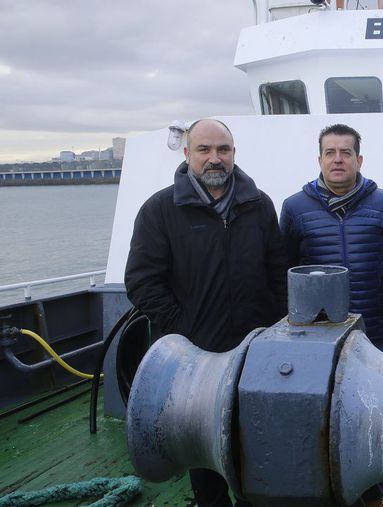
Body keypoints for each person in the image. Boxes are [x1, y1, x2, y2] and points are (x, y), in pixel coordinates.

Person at [124, 118, 287, 506]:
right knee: (201, 444)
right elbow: (142, 281)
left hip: (254, 353)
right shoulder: (160, 210)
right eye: (204, 150)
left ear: (234, 154)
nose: (215, 158)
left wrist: (275, 329)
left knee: (255, 440)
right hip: (195, 359)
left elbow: (278, 273)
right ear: (187, 154)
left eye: (223, 150)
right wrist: (183, 328)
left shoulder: (258, 205)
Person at [280, 123, 383, 355]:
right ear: (320, 160)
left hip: (375, 329)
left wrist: (379, 291)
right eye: (330, 152)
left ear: (359, 160)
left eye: (345, 153)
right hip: (317, 333)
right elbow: (286, 268)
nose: (338, 159)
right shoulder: (294, 207)